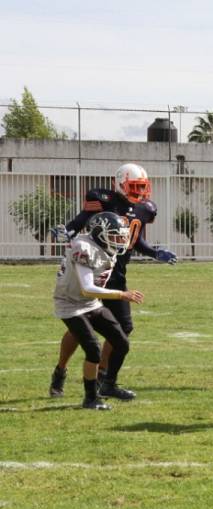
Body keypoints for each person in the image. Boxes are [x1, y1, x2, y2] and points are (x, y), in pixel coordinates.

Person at [49, 163, 176, 401]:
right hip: (93, 268)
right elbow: (81, 220)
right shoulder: (102, 199)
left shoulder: (142, 210)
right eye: (135, 186)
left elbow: (134, 241)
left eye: (142, 187)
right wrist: (67, 230)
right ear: (119, 183)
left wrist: (155, 253)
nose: (140, 192)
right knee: (80, 328)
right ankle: (60, 370)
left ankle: (105, 379)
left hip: (116, 274)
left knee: (123, 330)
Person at [53, 212, 144, 410]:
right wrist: (122, 294)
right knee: (93, 350)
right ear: (98, 233)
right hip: (70, 303)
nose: (119, 241)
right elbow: (87, 287)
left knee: (121, 342)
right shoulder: (83, 248)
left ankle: (107, 385)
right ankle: (90, 398)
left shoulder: (103, 247)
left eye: (121, 236)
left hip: (91, 302)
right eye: (114, 236)